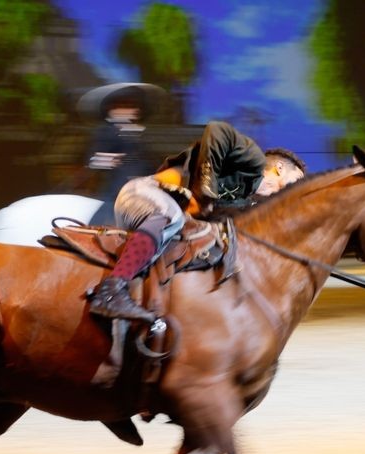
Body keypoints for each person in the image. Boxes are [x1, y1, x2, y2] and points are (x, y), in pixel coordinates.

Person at [88, 121, 306, 322]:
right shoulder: (253, 159)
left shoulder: (244, 201)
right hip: (144, 194)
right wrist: (206, 189)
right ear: (279, 168)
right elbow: (218, 130)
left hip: (156, 223)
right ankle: (111, 291)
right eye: (297, 180)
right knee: (172, 217)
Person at [87, 89, 152, 226]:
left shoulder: (139, 132)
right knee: (103, 221)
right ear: (113, 110)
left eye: (133, 106)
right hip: (117, 189)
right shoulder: (106, 132)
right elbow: (93, 160)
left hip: (141, 188)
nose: (133, 110)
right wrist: (110, 159)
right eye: (126, 106)